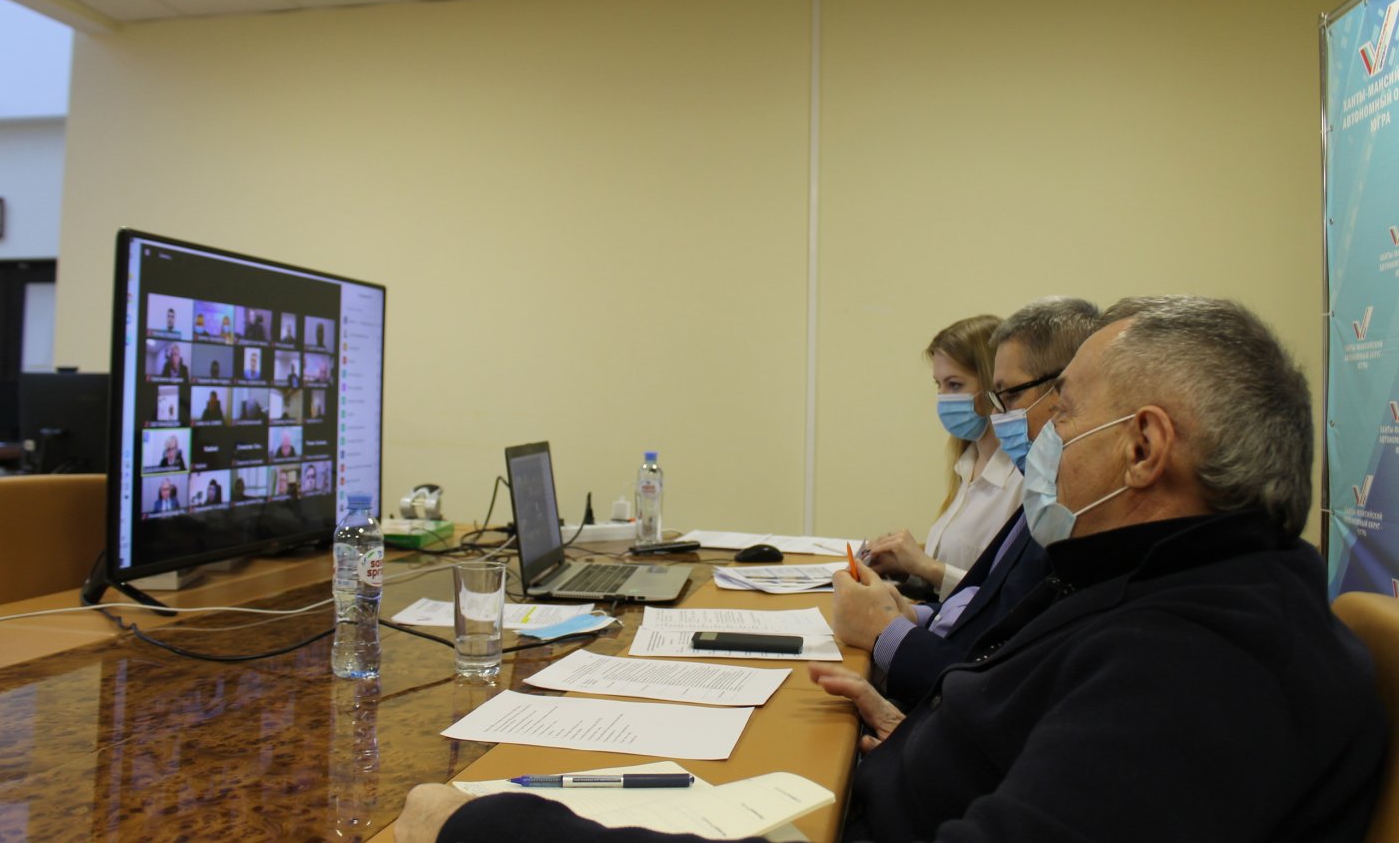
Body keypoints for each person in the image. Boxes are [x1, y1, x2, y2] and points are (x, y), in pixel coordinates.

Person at [399, 296, 1386, 843]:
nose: (1040, 438)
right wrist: (936, 732)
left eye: (1065, 413)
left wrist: (489, 836)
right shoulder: (1175, 589)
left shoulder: (1204, 670)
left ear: (1142, 448)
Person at [833, 297, 1099, 705]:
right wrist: (911, 612)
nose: (998, 411)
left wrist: (887, 625)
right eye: (938, 385)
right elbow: (984, 600)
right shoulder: (978, 464)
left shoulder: (1045, 492)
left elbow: (997, 666)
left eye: (956, 385)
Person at [862, 314, 1021, 602]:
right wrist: (907, 569)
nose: (943, 397)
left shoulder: (1021, 478)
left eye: (955, 385)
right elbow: (952, 576)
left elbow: (1006, 596)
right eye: (939, 385)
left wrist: (926, 566)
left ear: (993, 385)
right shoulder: (967, 464)